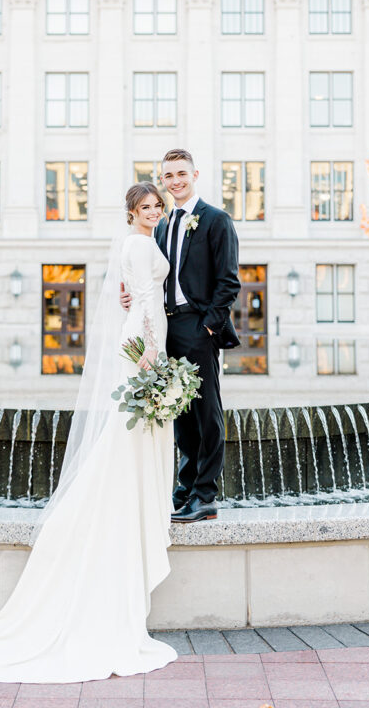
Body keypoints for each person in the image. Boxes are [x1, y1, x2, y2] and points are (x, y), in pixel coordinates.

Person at [0, 183, 177, 683]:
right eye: (145, 207)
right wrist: (155, 353)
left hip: (142, 334)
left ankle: (130, 501)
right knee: (130, 432)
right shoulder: (136, 242)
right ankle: (128, 505)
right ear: (131, 210)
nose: (153, 212)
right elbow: (147, 302)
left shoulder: (141, 241)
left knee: (129, 431)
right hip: (146, 340)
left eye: (157, 206)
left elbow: (135, 293)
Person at [122, 149, 241, 523]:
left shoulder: (215, 220)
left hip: (197, 327)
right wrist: (132, 298)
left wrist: (208, 326)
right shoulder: (162, 224)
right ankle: (185, 489)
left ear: (195, 174)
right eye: (168, 175)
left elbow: (228, 281)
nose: (175, 181)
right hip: (166, 326)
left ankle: (205, 495)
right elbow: (150, 279)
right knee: (181, 413)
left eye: (181, 174)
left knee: (207, 414)